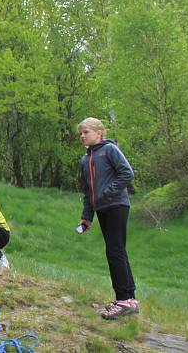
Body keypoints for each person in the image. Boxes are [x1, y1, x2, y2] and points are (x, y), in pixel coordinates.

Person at [77, 117, 139, 320]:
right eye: (81, 133)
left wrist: (108, 193)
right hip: (102, 209)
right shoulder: (85, 160)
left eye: (86, 132)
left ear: (99, 132)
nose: (82, 136)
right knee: (116, 250)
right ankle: (130, 300)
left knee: (115, 251)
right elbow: (87, 192)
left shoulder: (110, 150)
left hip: (117, 205)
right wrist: (87, 217)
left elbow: (127, 173)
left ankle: (123, 300)